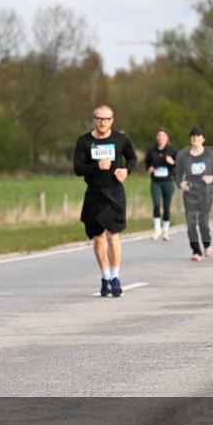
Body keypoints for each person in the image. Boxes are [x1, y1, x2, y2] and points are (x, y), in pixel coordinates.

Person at [73, 105, 137, 297]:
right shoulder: (84, 141)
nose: (102, 122)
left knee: (113, 235)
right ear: (94, 119)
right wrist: (96, 166)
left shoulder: (120, 139)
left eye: (106, 119)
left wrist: (127, 170)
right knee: (98, 237)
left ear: (112, 120)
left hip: (114, 192)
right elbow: (78, 168)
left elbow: (132, 158)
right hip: (94, 193)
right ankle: (105, 276)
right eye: (99, 119)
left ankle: (116, 277)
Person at [175, 126, 213, 261]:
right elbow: (177, 175)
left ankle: (207, 245)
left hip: (205, 193)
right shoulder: (184, 156)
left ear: (203, 139)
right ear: (191, 139)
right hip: (190, 193)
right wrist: (180, 184)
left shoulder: (210, 155)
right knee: (191, 223)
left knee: (203, 223)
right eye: (193, 136)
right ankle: (196, 251)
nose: (195, 138)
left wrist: (211, 178)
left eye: (198, 136)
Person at [145, 129, 178, 240]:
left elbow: (179, 165)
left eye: (163, 136)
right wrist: (149, 168)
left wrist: (172, 162)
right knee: (156, 204)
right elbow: (147, 163)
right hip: (156, 182)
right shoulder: (151, 151)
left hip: (168, 181)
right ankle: (157, 228)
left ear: (167, 138)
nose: (160, 138)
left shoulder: (172, 151)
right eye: (158, 135)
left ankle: (166, 230)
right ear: (156, 138)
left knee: (166, 207)